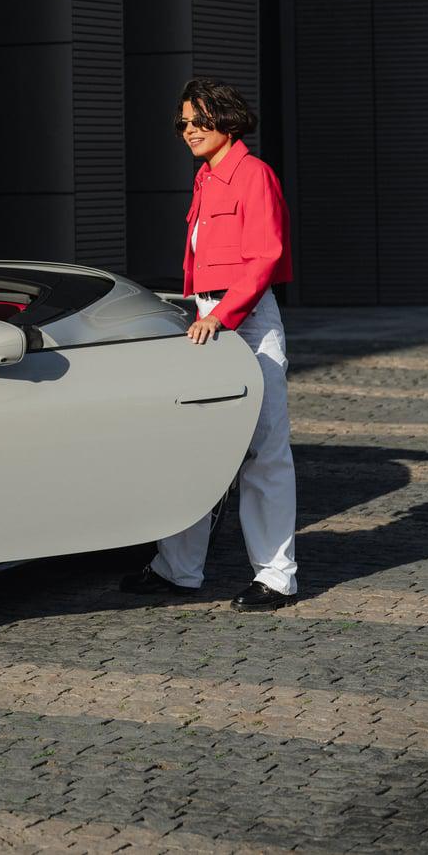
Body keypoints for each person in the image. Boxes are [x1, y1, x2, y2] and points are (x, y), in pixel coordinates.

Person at [120, 78, 297, 610]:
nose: (189, 130)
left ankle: (276, 577)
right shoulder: (206, 178)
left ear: (227, 119)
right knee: (194, 447)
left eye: (199, 120)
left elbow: (265, 256)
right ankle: (178, 568)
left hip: (247, 320)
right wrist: (202, 313)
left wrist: (221, 315)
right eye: (183, 123)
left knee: (263, 451)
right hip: (208, 318)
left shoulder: (254, 174)